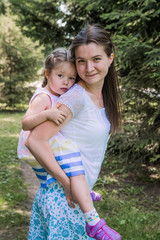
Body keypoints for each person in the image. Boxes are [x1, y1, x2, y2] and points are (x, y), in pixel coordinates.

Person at [25, 24, 121, 240]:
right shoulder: (75, 97)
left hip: (76, 196)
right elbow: (35, 141)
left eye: (96, 59)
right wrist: (68, 185)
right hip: (63, 198)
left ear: (110, 58)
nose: (88, 68)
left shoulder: (103, 96)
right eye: (81, 61)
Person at [17, 47, 102, 237]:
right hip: (32, 149)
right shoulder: (43, 97)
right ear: (48, 74)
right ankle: (82, 192)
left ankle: (84, 190)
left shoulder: (59, 95)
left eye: (71, 78)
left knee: (71, 159)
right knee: (71, 154)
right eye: (60, 75)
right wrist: (47, 113)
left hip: (47, 145)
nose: (66, 82)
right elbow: (25, 123)